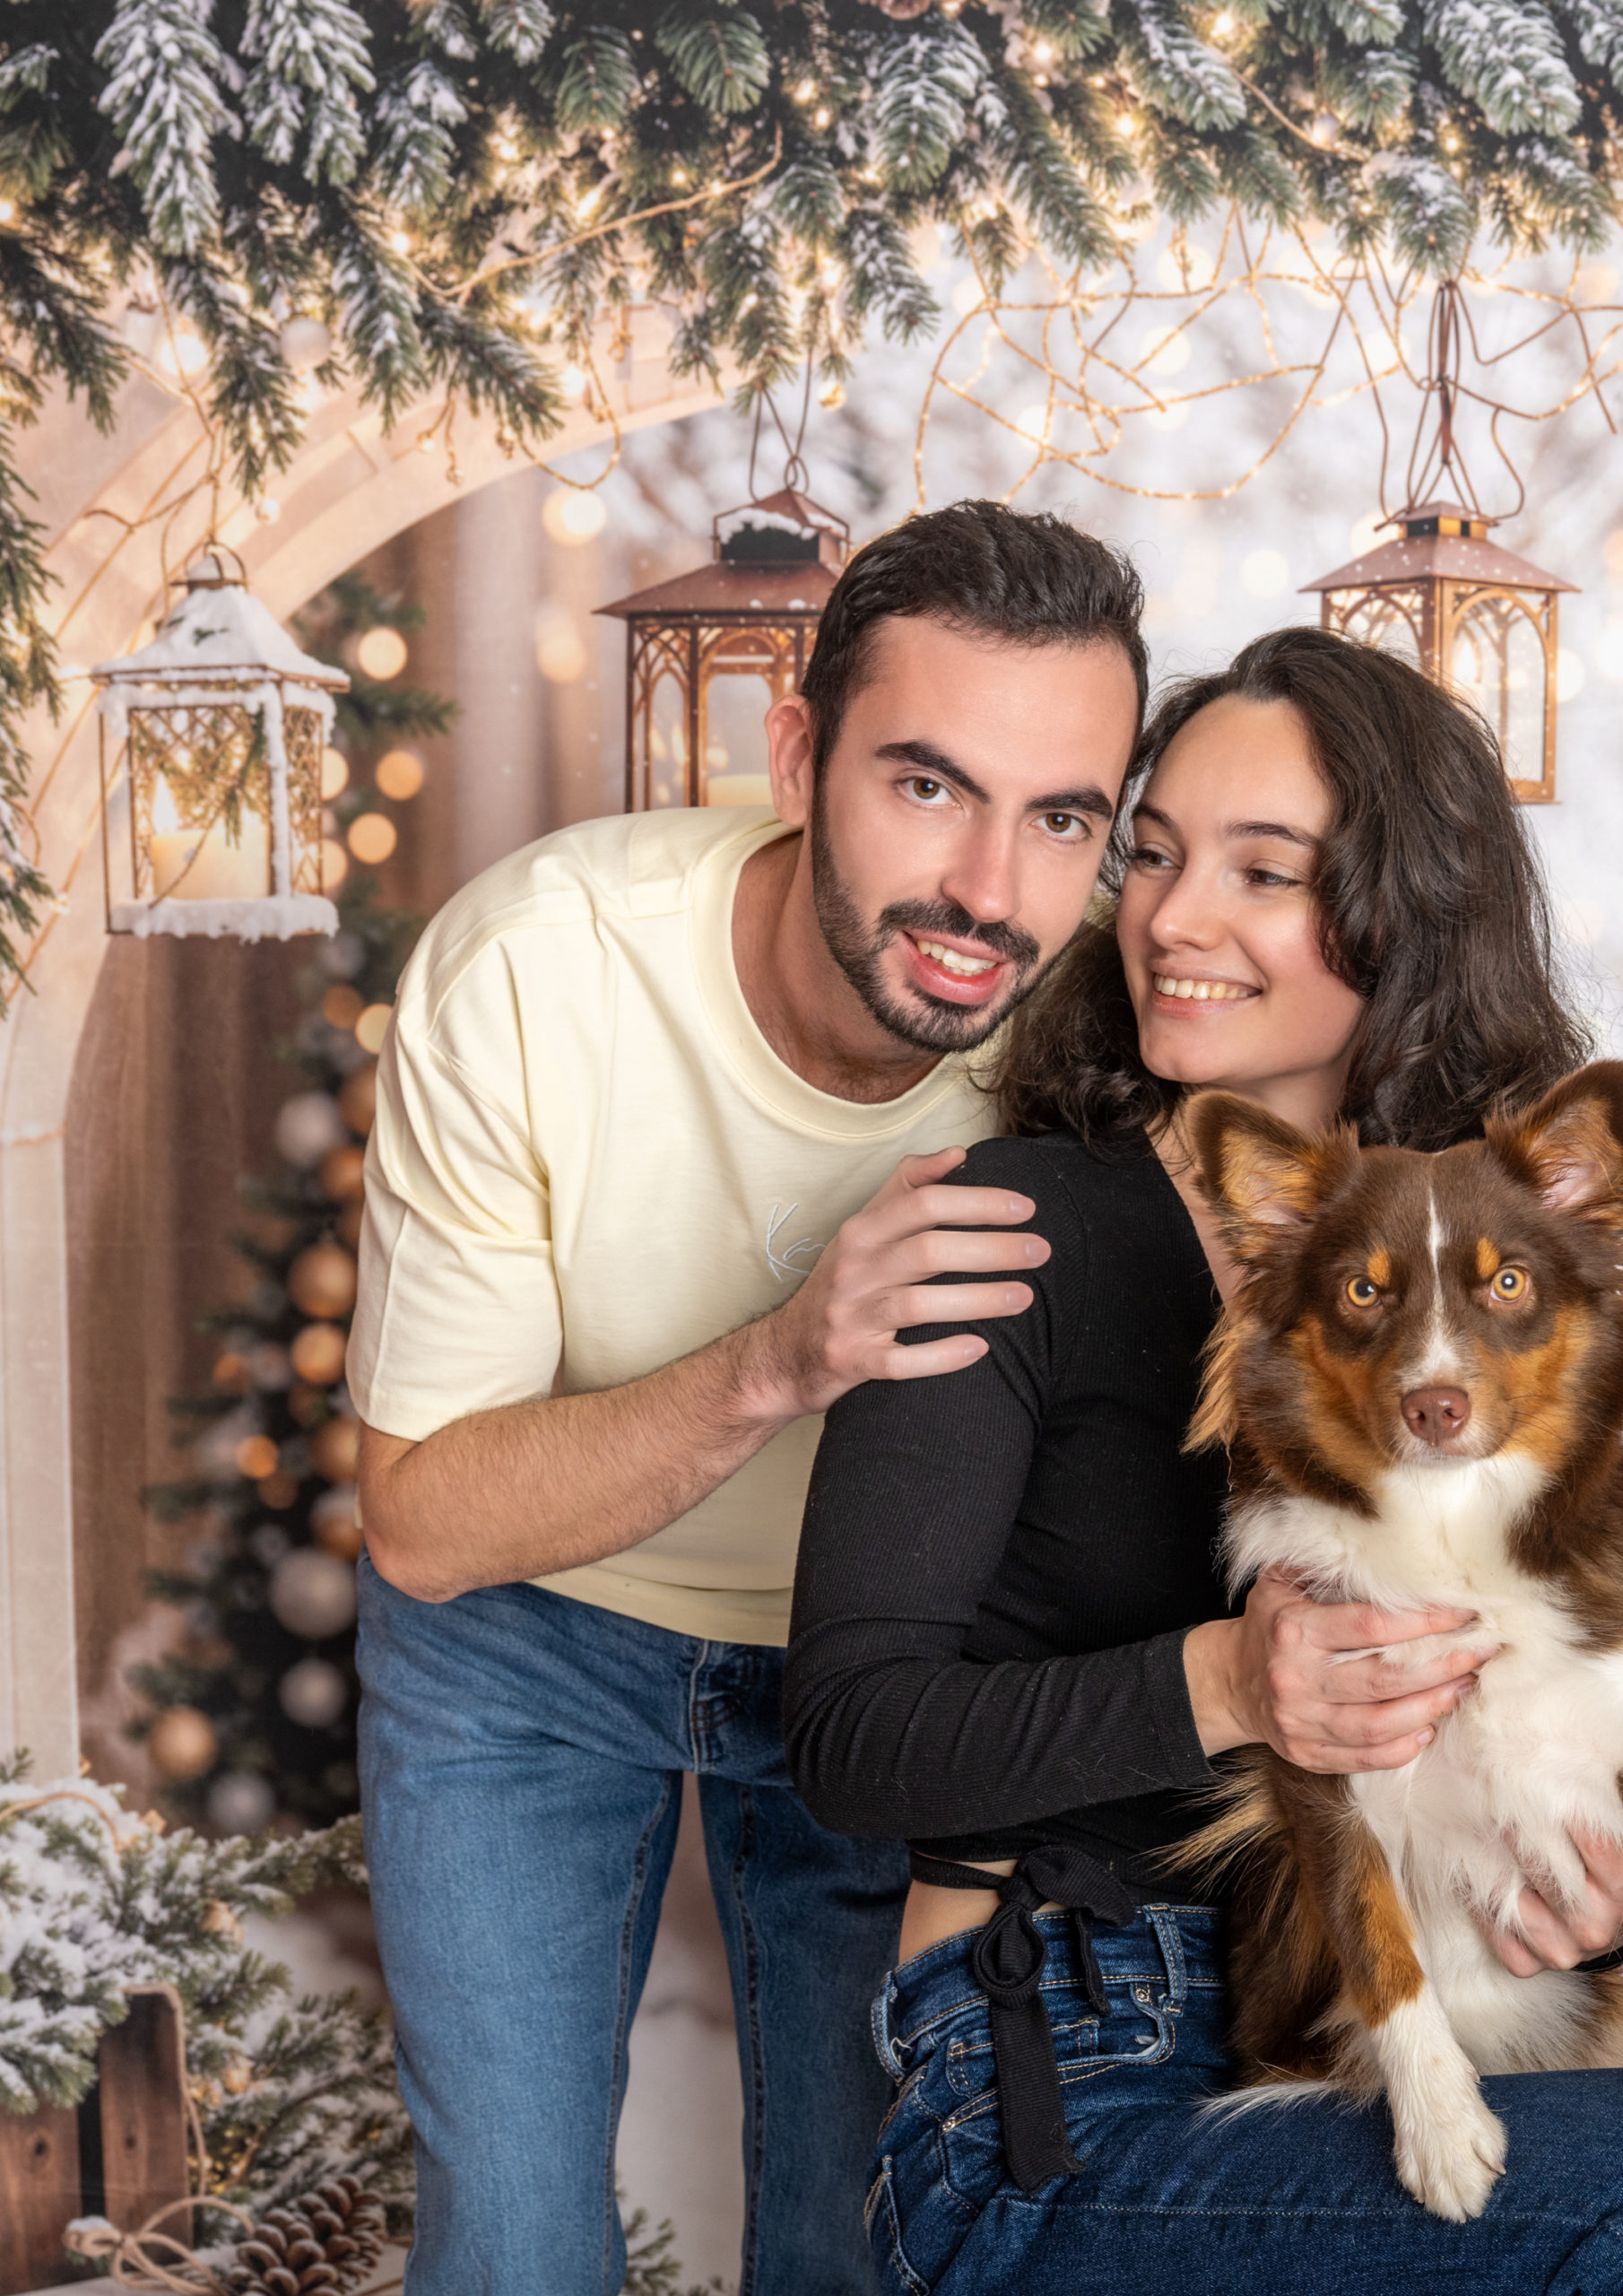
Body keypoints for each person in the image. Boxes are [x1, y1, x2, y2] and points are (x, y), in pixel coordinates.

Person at [785, 626, 1623, 2293]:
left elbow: (1579, 1697)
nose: (1173, 917)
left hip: (1436, 2003)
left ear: (1401, 915)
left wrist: (1594, 1914)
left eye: (1263, 871)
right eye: (1152, 853)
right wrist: (1231, 1683)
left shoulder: (1501, 1269)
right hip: (1061, 2086)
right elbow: (850, 1744)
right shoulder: (1003, 1230)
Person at [347, 501, 1150, 2296]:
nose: (987, 889)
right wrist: (784, 1357)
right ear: (796, 754)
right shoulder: (537, 969)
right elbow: (422, 1517)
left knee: (864, 2246)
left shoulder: (1103, 1038)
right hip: (527, 1631)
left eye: (1061, 818)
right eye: (926, 784)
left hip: (894, 1670)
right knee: (513, 2248)